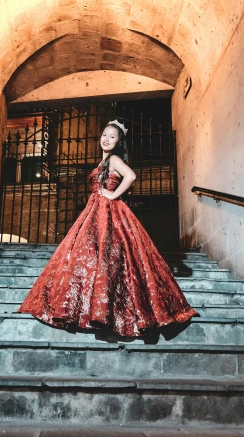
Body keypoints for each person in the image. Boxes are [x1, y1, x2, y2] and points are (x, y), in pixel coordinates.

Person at [18, 119, 198, 337]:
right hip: (94, 210)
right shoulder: (102, 163)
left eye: (112, 136)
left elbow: (130, 175)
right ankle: (86, 307)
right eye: (105, 134)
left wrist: (113, 194)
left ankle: (98, 310)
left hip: (107, 209)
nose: (106, 138)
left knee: (106, 254)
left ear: (118, 142)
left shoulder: (113, 159)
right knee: (92, 255)